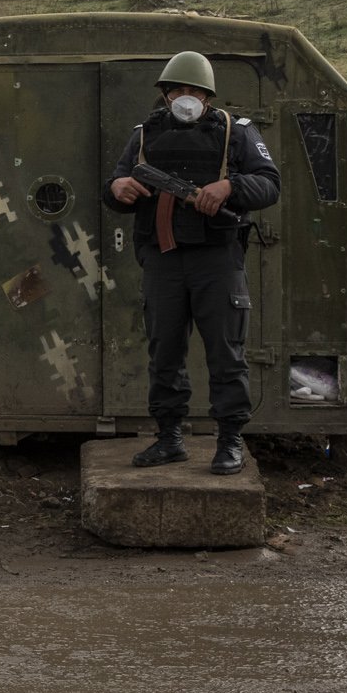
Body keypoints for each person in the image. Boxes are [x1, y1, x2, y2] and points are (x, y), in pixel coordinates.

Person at [107, 51, 282, 476]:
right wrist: (120, 187)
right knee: (164, 352)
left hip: (216, 259)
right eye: (177, 91)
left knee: (226, 353)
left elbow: (270, 184)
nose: (185, 98)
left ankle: (230, 441)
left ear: (208, 95)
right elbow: (114, 187)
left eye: (194, 91)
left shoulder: (235, 132)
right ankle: (169, 439)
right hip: (163, 260)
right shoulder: (144, 134)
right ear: (165, 95)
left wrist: (229, 186)